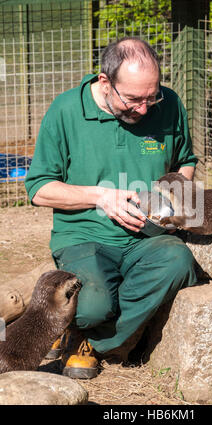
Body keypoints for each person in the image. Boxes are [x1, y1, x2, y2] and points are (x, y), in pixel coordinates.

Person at [25, 37, 198, 379]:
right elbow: (39, 188)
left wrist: (174, 198)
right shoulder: (65, 111)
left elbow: (186, 162)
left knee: (181, 263)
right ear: (105, 82)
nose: (145, 108)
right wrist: (101, 196)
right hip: (85, 234)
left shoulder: (171, 104)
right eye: (133, 99)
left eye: (152, 97)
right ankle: (85, 323)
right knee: (91, 307)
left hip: (148, 236)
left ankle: (88, 341)